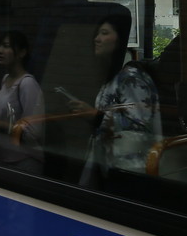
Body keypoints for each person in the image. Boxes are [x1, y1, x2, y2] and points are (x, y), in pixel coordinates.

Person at [69, 15, 162, 180]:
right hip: (109, 165)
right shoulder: (112, 78)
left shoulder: (131, 78)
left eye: (104, 33)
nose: (97, 39)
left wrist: (95, 116)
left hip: (131, 171)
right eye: (97, 34)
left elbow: (140, 126)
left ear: (120, 39)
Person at [0, 31, 45, 174]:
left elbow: (33, 132)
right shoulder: (6, 79)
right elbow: (12, 116)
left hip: (23, 162)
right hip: (2, 158)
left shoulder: (27, 84)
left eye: (6, 46)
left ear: (22, 52)